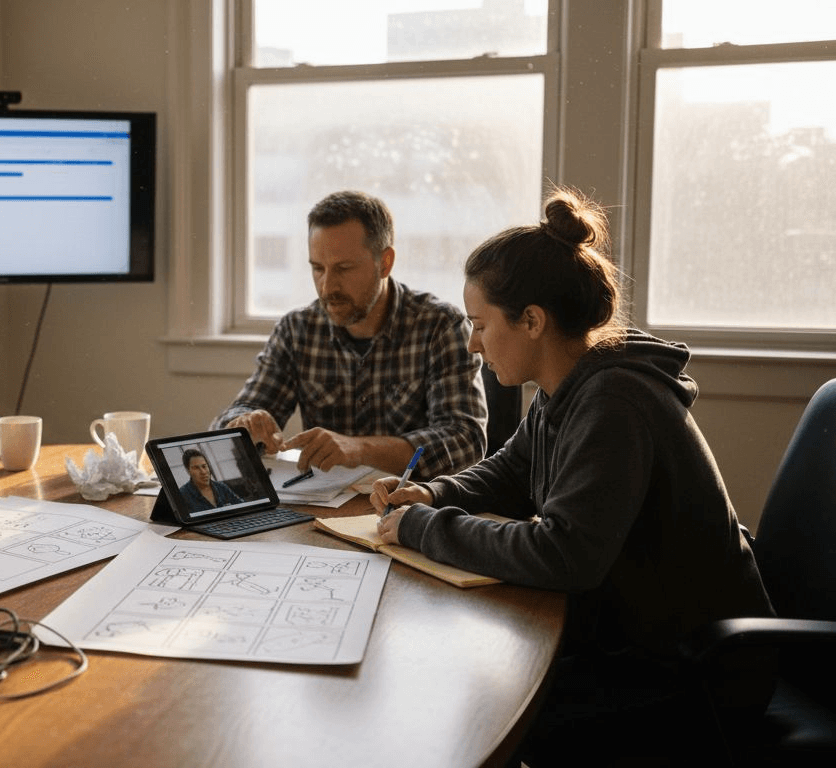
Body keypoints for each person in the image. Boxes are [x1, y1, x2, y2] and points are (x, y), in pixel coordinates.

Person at [370, 187, 773, 764]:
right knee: (468, 684)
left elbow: (563, 553)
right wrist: (433, 491)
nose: (472, 343)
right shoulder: (571, 386)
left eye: (480, 325)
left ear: (531, 321)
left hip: (697, 674)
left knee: (477, 713)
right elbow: (511, 470)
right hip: (632, 637)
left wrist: (422, 527)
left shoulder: (614, 402)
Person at [213, 190, 485, 477]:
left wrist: (360, 450)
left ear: (385, 263)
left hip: (412, 509)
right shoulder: (297, 330)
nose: (327, 287)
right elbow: (230, 422)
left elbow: (466, 441)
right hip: (325, 510)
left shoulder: (440, 326)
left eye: (343, 268)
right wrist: (243, 423)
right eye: (318, 268)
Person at [177, 448, 244, 512]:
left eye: (204, 466)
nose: (203, 472)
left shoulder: (221, 487)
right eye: (196, 468)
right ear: (188, 471)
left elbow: (242, 506)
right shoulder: (182, 495)